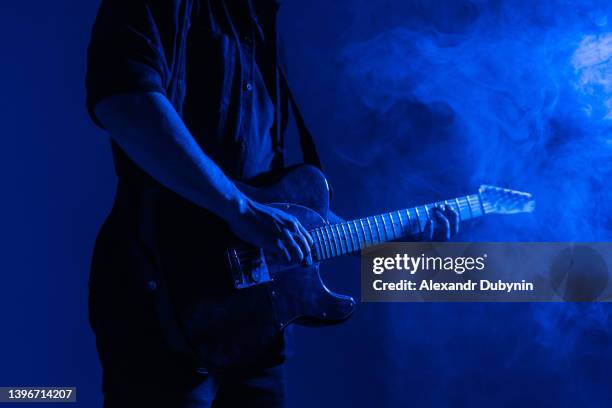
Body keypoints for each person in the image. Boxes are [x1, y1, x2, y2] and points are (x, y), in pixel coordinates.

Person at [86, 0, 459, 406]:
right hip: (162, 303)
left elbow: (283, 204)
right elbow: (123, 101)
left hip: (253, 327)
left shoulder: (260, 23)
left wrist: (378, 246)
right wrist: (240, 210)